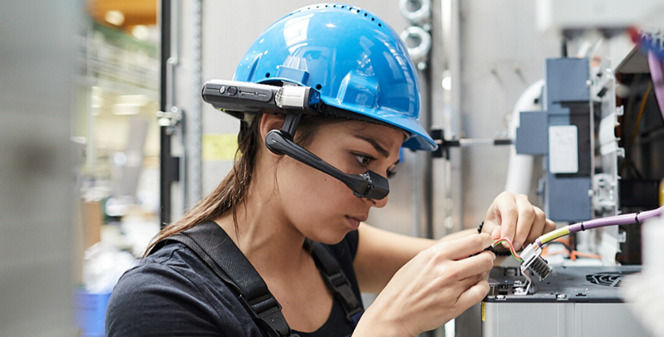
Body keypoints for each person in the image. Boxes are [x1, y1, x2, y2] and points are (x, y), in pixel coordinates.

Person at [106, 4, 554, 337]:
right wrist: (385, 328)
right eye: (363, 159)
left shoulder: (330, 252)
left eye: (388, 170)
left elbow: (454, 260)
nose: (379, 196)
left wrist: (498, 236)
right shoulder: (163, 300)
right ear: (278, 132)